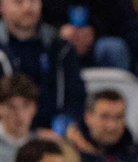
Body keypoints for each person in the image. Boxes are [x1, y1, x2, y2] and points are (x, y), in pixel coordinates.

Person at [0, 0, 85, 132]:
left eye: (33, 1)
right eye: (18, 1)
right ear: (2, 6)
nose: (28, 7)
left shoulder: (60, 48)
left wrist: (65, 126)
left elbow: (76, 99)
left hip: (54, 137)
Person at [0, 72, 37, 162]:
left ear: (34, 108)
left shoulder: (42, 146)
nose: (19, 114)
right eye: (12, 107)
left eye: (26, 106)